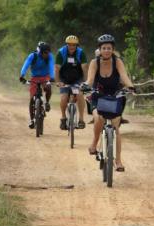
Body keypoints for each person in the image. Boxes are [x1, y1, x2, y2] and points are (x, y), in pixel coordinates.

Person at [85, 34, 135, 172]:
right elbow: (89, 80)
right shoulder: (94, 63)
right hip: (97, 95)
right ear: (99, 49)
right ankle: (94, 143)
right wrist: (85, 86)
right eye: (104, 48)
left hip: (115, 95)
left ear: (113, 50)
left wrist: (130, 86)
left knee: (116, 127)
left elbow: (124, 76)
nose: (106, 50)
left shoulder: (117, 61)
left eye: (109, 48)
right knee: (98, 118)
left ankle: (118, 160)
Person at [55, 35, 88, 130]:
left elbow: (84, 68)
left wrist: (85, 82)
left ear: (77, 45)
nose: (72, 47)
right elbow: (57, 68)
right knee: (64, 97)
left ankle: (81, 119)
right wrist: (58, 81)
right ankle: (63, 118)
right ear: (66, 45)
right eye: (69, 45)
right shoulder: (61, 52)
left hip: (77, 78)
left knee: (80, 94)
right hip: (64, 78)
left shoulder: (81, 53)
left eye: (74, 45)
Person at [19, 41, 55, 129]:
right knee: (32, 99)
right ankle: (32, 120)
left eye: (48, 52)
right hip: (34, 77)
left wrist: (52, 78)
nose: (47, 54)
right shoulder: (33, 56)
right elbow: (26, 65)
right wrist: (22, 75)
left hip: (45, 76)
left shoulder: (50, 56)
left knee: (48, 87)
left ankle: (47, 102)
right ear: (40, 52)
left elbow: (51, 66)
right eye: (45, 53)